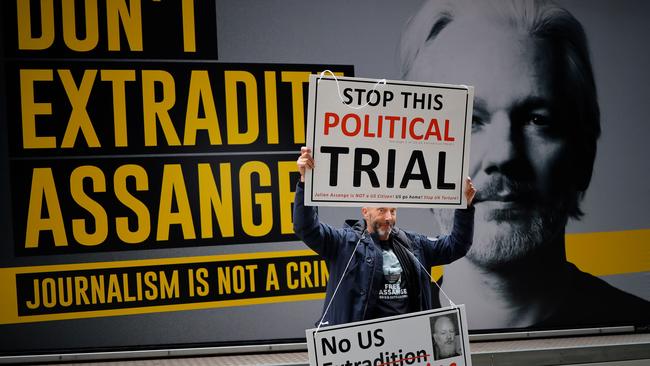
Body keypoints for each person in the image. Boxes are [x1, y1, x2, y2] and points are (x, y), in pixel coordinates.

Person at [399, 0, 650, 329]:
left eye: (536, 119)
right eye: (467, 120)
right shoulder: (372, 348)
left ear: (585, 154)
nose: (504, 154)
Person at [293, 147, 477, 326]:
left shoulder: (414, 244)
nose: (388, 217)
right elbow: (306, 228)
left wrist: (465, 207)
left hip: (409, 347)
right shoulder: (343, 243)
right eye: (381, 210)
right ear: (365, 212)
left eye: (393, 211)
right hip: (362, 349)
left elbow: (457, 245)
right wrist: (305, 182)